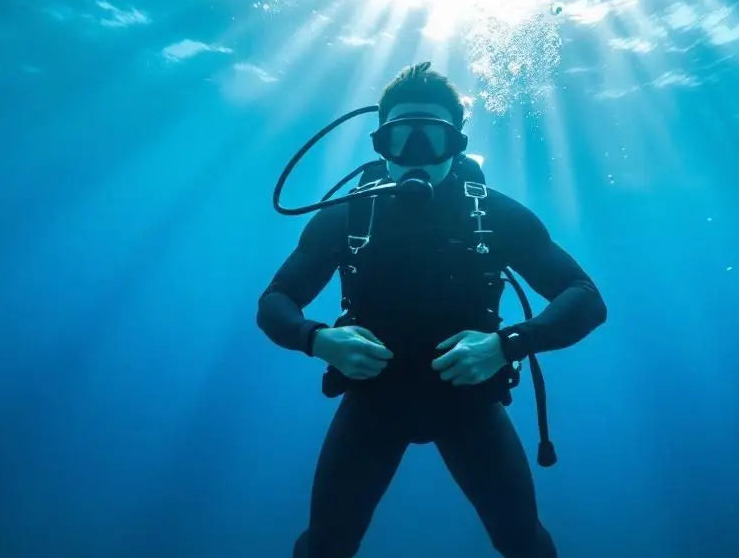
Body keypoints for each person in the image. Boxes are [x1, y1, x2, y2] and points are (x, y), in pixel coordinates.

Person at [257, 62, 608, 558]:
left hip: (469, 407)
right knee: (327, 548)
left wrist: (506, 345)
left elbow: (585, 297)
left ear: (458, 144)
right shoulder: (347, 217)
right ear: (381, 145)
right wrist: (317, 340)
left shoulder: (495, 215)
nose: (416, 155)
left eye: (434, 139)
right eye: (400, 139)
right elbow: (275, 302)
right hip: (374, 404)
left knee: (522, 543)